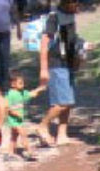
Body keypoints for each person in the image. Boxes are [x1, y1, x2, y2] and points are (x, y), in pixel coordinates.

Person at [37, 0, 81, 147]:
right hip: (57, 64)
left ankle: (62, 135)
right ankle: (43, 125)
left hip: (68, 63)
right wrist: (43, 69)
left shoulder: (70, 16)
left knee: (68, 103)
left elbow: (70, 39)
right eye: (74, 3)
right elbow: (44, 43)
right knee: (63, 102)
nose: (77, 5)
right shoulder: (54, 17)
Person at [5, 70, 45, 161]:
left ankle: (10, 153)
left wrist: (39, 89)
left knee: (14, 137)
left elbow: (30, 94)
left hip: (19, 120)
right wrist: (15, 113)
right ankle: (29, 152)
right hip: (13, 120)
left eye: (22, 82)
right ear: (12, 84)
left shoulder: (22, 92)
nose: (22, 84)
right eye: (20, 82)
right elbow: (6, 107)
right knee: (23, 135)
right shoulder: (10, 94)